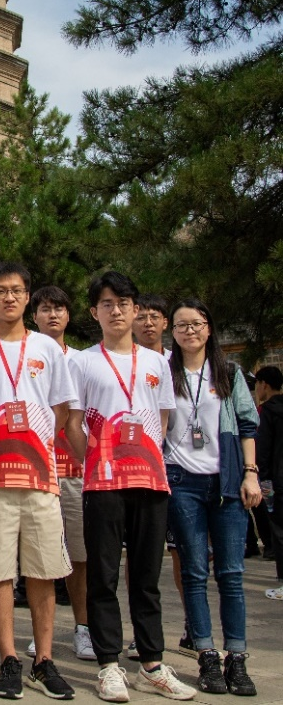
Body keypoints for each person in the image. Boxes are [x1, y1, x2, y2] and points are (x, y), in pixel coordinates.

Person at [66, 271, 196, 702]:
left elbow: (162, 420)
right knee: (103, 575)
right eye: (107, 303)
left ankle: (152, 665)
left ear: (136, 309)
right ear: (94, 312)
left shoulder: (158, 363)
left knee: (146, 577)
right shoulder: (83, 362)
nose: (116, 310)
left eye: (124, 302)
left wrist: (145, 456)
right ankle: (108, 665)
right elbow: (73, 424)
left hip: (151, 481)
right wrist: (95, 463)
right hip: (103, 485)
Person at [0, 262, 76, 701]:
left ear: (27, 297)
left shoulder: (47, 347)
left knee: (43, 569)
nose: (9, 297)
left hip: (41, 477)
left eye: (17, 290)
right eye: (0, 291)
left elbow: (62, 408)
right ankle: (9, 659)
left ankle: (44, 660)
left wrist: (35, 440)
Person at [164, 298, 260, 696]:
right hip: (181, 480)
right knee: (194, 573)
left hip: (227, 482)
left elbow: (247, 425)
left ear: (209, 328)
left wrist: (251, 473)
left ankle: (236, 657)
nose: (190, 331)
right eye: (182, 325)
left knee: (232, 574)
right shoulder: (165, 372)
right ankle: (206, 654)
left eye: (197, 323)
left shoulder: (229, 372)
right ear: (172, 332)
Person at [27, 284, 94, 661]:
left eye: (60, 308)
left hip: (76, 470)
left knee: (80, 555)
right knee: (41, 556)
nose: (53, 315)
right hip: (36, 470)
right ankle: (42, 632)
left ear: (69, 315)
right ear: (34, 315)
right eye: (45, 309)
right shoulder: (23, 355)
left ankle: (83, 628)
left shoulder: (82, 361)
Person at [133, 292, 193, 659]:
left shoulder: (176, 363)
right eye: (142, 316)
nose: (148, 323)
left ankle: (192, 625)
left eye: (155, 316)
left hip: (178, 468)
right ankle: (139, 633)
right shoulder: (122, 360)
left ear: (165, 323)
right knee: (140, 556)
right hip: (137, 471)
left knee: (182, 551)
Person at [255, 365, 283, 597]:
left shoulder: (268, 412)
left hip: (275, 481)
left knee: (278, 529)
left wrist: (262, 480)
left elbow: (262, 450)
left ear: (264, 384)